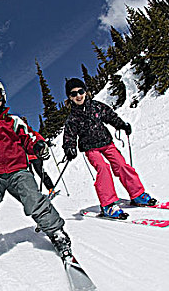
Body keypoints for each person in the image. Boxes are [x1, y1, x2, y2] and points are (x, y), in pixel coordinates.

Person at [0, 77, 72, 270]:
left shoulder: (14, 121)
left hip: (18, 170)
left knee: (34, 199)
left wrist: (39, 145)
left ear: (3, 97)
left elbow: (30, 137)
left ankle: (56, 233)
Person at [62, 78, 156, 219]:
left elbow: (110, 116)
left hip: (106, 143)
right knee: (103, 168)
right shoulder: (72, 119)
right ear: (70, 98)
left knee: (121, 165)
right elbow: (69, 135)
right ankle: (108, 205)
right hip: (91, 149)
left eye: (80, 92)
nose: (78, 96)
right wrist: (70, 148)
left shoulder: (96, 106)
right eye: (73, 94)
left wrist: (121, 125)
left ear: (85, 92)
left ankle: (137, 194)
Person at [20, 116, 56, 197]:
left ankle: (50, 188)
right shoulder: (21, 132)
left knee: (39, 172)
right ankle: (35, 192)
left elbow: (37, 137)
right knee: (31, 175)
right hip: (27, 157)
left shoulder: (29, 131)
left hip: (34, 156)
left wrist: (43, 143)